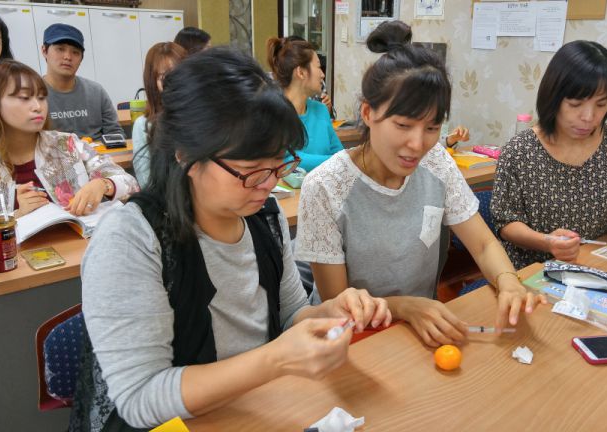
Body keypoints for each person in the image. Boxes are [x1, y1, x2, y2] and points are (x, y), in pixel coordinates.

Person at [70, 47, 391, 430]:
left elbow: (289, 314)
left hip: (254, 407)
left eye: (279, 164)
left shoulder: (262, 215)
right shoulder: (132, 240)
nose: (270, 183)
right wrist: (276, 359)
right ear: (185, 154)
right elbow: (141, 398)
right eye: (251, 170)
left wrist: (330, 312)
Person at [295, 21, 545, 348]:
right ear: (369, 114)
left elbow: (483, 245)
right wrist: (406, 307)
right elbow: (340, 304)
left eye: (431, 127)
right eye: (403, 125)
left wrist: (509, 281)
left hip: (418, 329)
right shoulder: (326, 186)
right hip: (352, 338)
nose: (418, 144)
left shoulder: (436, 161)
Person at [490, 40, 607, 274]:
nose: (589, 117)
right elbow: (506, 222)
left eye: (601, 104)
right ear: (553, 99)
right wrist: (546, 242)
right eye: (575, 104)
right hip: (531, 271)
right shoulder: (520, 151)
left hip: (592, 265)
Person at [0, 61, 138, 217]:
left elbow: (130, 183)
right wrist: (16, 216)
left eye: (41, 97)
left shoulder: (66, 145)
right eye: (25, 97)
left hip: (80, 239)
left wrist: (103, 184)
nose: (38, 106)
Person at [267, 36, 342, 172]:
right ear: (301, 72)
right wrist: (336, 161)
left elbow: (340, 154)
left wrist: (343, 160)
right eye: (319, 67)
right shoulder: (274, 113)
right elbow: (288, 161)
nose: (322, 75)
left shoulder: (321, 110)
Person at [41, 23, 123, 141]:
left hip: (97, 156)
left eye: (75, 52)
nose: (68, 57)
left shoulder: (96, 92)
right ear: (44, 51)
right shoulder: (33, 94)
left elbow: (115, 133)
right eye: (60, 49)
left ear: (81, 58)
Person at [132, 42, 187, 188]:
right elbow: (146, 183)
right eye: (166, 76)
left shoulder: (199, 115)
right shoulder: (143, 125)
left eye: (179, 73)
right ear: (153, 81)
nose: (175, 81)